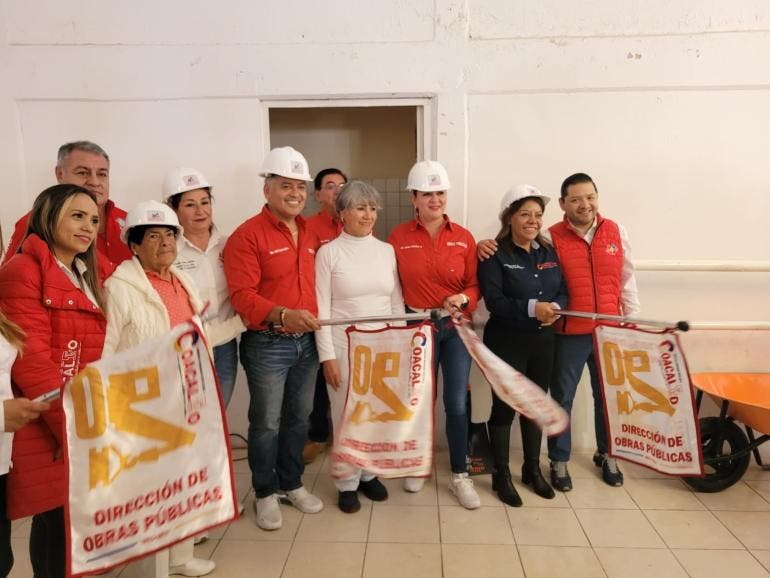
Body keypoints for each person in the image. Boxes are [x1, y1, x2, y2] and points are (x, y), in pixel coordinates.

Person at [478, 172, 640, 491]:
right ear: (564, 204)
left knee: (601, 398)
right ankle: (544, 464)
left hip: (594, 332)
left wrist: (630, 320)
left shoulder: (608, 233)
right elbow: (496, 299)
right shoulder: (545, 240)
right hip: (551, 335)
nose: (585, 204)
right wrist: (534, 307)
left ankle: (599, 456)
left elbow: (622, 278)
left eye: (590, 197)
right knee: (548, 400)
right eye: (576, 199)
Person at [102, 200, 215, 578]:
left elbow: (196, 334)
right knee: (151, 491)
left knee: (183, 481)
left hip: (186, 395)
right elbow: (106, 350)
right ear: (134, 245)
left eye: (169, 234)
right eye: (153, 236)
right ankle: (152, 571)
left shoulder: (181, 280)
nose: (165, 242)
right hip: (144, 406)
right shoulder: (120, 288)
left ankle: (180, 558)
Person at [0, 184, 107, 578]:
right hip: (49, 417)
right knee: (56, 524)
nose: (88, 227)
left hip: (73, 411)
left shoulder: (83, 272)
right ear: (47, 216)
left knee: (65, 524)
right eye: (77, 216)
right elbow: (32, 363)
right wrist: (73, 428)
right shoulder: (22, 270)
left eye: (93, 219)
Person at [223, 146, 324, 531]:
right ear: (267, 189)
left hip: (307, 344)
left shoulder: (311, 231)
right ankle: (265, 492)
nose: (295, 193)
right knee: (266, 422)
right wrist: (283, 314)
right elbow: (242, 296)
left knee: (299, 418)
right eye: (286, 185)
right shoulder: (247, 236)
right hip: (268, 344)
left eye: (300, 187)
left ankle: (291, 483)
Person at [387, 160, 481, 510]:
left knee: (455, 402)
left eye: (439, 192)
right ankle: (418, 464)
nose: (435, 199)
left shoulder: (464, 237)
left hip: (455, 329)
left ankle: (460, 474)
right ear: (413, 198)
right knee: (420, 399)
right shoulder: (398, 237)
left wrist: (464, 298)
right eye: (427, 194)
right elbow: (392, 286)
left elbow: (475, 285)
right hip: (417, 328)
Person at [477, 185, 568, 506]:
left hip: (543, 341)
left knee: (534, 405)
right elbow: (495, 301)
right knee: (504, 407)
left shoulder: (548, 252)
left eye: (538, 215)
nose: (533, 221)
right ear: (510, 218)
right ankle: (501, 475)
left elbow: (563, 290)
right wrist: (533, 308)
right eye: (525, 214)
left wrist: (555, 308)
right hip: (506, 341)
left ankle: (531, 469)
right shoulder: (494, 254)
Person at [315, 180, 402, 513]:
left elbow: (396, 301)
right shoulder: (329, 253)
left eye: (372, 208)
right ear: (342, 213)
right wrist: (327, 357)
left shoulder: (386, 251)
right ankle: (347, 482)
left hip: (382, 346)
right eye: (360, 208)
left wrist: (399, 344)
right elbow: (322, 309)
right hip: (344, 346)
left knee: (375, 414)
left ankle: (368, 473)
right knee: (347, 416)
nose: (368, 215)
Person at [163, 167, 245, 407]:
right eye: (190, 205)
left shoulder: (229, 244)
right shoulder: (168, 250)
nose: (200, 211)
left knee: (219, 412)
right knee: (188, 414)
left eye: (205, 202)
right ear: (173, 209)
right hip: (185, 347)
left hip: (224, 344)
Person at [2, 141, 132, 274]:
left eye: (102, 174)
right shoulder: (37, 221)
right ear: (60, 174)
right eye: (82, 173)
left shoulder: (131, 220)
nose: (94, 182)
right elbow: (11, 276)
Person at [303, 167, 347, 464]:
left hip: (348, 316)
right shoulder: (308, 228)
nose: (338, 191)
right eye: (330, 186)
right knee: (319, 379)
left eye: (343, 185)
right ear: (317, 195)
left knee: (349, 378)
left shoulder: (356, 223)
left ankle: (348, 435)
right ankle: (319, 436)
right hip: (317, 314)